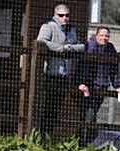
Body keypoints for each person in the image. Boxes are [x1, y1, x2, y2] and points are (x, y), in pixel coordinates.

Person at [36, 3, 85, 137]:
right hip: (51, 73)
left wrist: (71, 48)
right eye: (61, 15)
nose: (64, 18)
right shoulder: (48, 26)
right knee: (47, 107)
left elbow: (81, 46)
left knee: (56, 108)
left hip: (64, 75)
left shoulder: (71, 30)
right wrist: (61, 48)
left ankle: (49, 137)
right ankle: (41, 136)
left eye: (66, 15)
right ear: (55, 15)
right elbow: (41, 42)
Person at [76, 26, 120, 147]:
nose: (104, 38)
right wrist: (82, 82)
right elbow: (83, 66)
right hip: (89, 87)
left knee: (92, 115)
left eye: (107, 35)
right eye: (102, 35)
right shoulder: (90, 46)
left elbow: (114, 69)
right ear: (96, 35)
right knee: (89, 115)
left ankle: (86, 142)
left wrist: (117, 86)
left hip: (102, 87)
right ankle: (83, 143)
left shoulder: (110, 48)